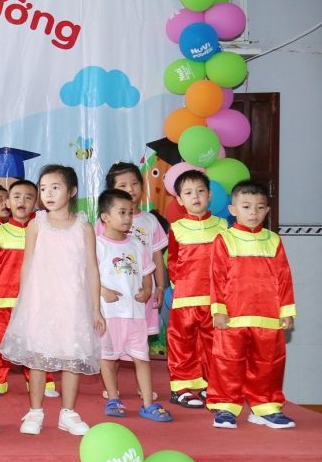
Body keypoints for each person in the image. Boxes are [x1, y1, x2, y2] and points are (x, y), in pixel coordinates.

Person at [0, 164, 104, 436]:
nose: (48, 194)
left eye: (55, 188)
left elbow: (92, 269)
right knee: (38, 357)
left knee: (71, 356)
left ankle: (68, 413)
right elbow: (28, 264)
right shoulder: (37, 225)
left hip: (73, 302)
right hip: (40, 301)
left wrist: (96, 308)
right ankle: (35, 411)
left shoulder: (84, 227)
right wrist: (24, 301)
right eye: (43, 188)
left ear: (72, 191)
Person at [208, 180, 297, 429]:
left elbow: (284, 277)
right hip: (233, 317)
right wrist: (219, 310)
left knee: (268, 365)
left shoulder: (273, 240)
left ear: (267, 210)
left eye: (260, 207)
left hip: (268, 318)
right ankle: (225, 407)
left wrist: (287, 311)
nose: (253, 212)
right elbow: (217, 277)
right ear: (233, 209)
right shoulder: (224, 239)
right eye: (246, 206)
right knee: (228, 363)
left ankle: (266, 408)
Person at [96, 189, 172, 422]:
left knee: (142, 358)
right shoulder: (98, 245)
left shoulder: (137, 245)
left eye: (130, 212)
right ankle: (113, 398)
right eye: (122, 212)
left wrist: (148, 290)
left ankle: (148, 403)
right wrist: (103, 291)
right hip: (110, 314)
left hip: (136, 315)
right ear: (105, 217)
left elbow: (147, 271)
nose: (128, 217)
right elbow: (87, 276)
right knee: (108, 358)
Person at [166, 169, 228, 409]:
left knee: (214, 344)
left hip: (215, 300)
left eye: (201, 191)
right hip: (186, 298)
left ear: (209, 195)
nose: (196, 196)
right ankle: (182, 388)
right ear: (180, 200)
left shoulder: (222, 226)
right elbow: (173, 261)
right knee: (183, 343)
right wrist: (180, 286)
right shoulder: (177, 227)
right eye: (189, 193)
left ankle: (210, 385)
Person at [0, 179, 38, 397]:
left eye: (28, 197)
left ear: (36, 203)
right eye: (16, 196)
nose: (22, 201)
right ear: (8, 202)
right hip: (1, 299)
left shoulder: (41, 232)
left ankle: (41, 382)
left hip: (33, 300)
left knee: (35, 342)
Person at [102, 162, 167, 340]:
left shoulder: (150, 220)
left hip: (144, 291)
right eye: (122, 185)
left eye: (134, 183)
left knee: (139, 341)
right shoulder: (105, 222)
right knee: (113, 341)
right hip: (115, 292)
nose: (130, 189)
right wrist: (102, 290)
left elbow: (157, 256)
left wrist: (160, 286)